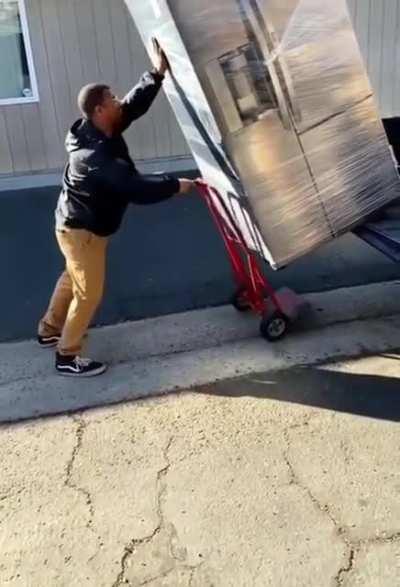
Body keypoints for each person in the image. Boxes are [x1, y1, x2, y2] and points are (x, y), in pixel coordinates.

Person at [38, 43, 194, 377]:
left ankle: (49, 329)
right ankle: (67, 355)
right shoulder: (96, 157)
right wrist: (175, 185)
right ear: (98, 110)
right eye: (111, 99)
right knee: (88, 292)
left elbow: (133, 106)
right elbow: (135, 187)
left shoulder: (101, 128)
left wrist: (156, 74)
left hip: (75, 225)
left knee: (73, 277)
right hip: (83, 231)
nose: (117, 100)